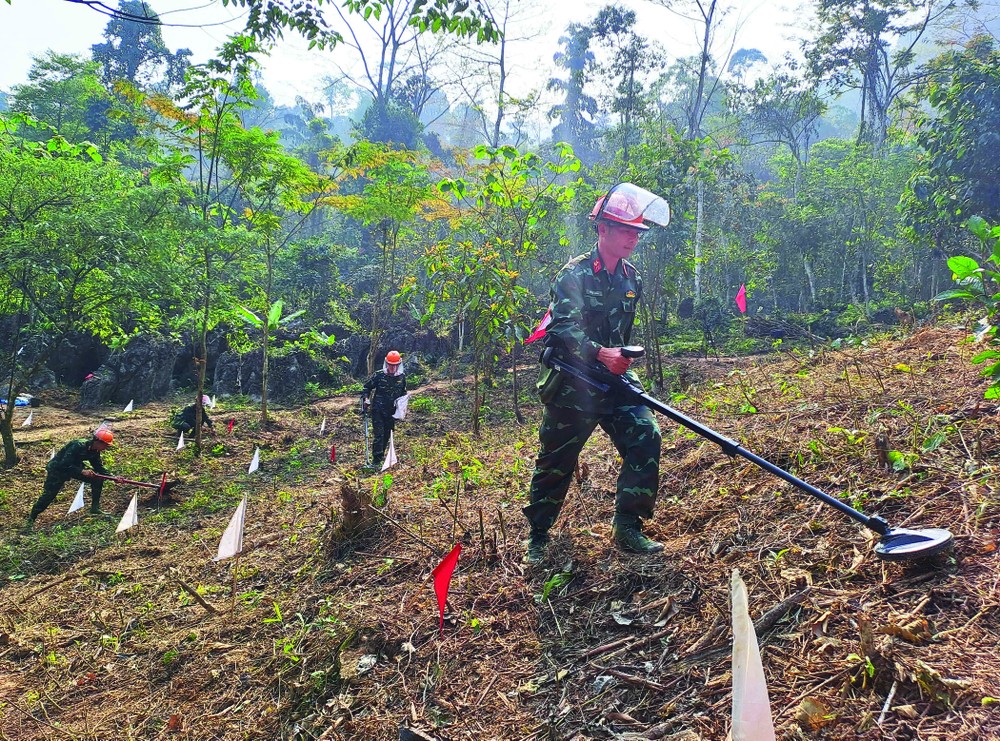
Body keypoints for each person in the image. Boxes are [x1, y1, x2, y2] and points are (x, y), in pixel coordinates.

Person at [523, 187, 667, 564]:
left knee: (646, 436)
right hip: (573, 385)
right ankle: (538, 536)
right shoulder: (574, 274)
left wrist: (620, 356)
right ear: (602, 229)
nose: (633, 238)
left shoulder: (631, 278)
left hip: (614, 384)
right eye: (625, 230)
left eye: (638, 232)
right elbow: (562, 329)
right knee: (555, 461)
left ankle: (628, 526)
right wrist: (600, 353)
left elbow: (622, 334)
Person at [25, 428, 121, 530]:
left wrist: (113, 477)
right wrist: (82, 471)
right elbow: (64, 464)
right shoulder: (78, 445)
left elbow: (99, 467)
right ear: (97, 441)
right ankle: (32, 518)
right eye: (105, 445)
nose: (106, 447)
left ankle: (95, 508)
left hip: (74, 468)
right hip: (58, 469)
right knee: (49, 495)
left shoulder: (95, 451)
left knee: (97, 479)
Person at [361, 350, 407, 469]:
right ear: (387, 363)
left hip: (391, 412)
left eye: (395, 365)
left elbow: (403, 393)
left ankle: (382, 457)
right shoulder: (379, 375)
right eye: (390, 365)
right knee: (379, 435)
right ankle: (376, 460)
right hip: (378, 410)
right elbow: (366, 387)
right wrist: (366, 399)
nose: (392, 367)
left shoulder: (401, 378)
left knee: (387, 435)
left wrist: (402, 407)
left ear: (398, 364)